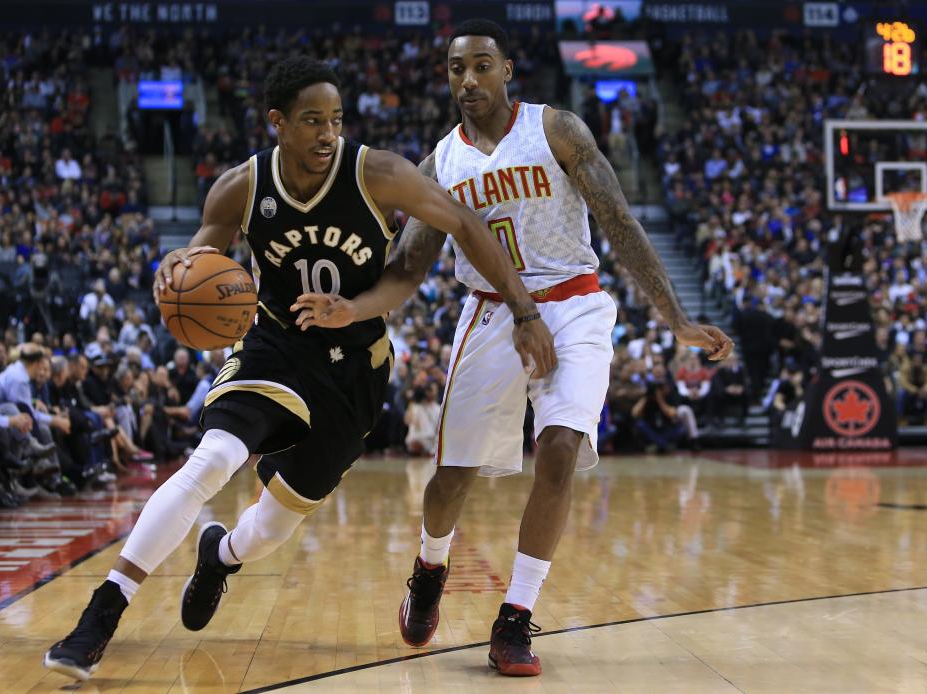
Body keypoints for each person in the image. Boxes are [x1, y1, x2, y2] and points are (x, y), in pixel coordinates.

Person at [43, 55, 555, 682]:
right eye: (312, 121)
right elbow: (200, 262)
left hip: (353, 368)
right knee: (211, 460)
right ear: (278, 122)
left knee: (274, 524)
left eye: (335, 120)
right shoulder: (240, 186)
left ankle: (222, 556)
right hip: (274, 347)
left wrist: (519, 311)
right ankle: (104, 609)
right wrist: (175, 273)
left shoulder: (377, 174)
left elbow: (465, 223)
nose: (326, 134)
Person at [295, 19, 733, 677]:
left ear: (506, 70)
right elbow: (410, 269)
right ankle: (428, 567)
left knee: (558, 449)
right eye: (454, 69)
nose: (467, 79)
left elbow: (617, 220)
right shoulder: (441, 162)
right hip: (491, 313)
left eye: (480, 65)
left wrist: (675, 319)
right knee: (453, 478)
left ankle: (516, 617)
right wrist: (351, 307)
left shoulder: (557, 129)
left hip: (575, 301)